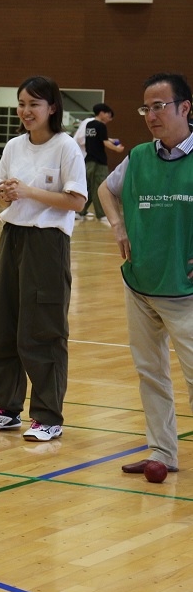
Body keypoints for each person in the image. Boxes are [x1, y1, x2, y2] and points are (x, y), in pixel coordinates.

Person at [0, 76, 87, 442]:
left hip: (48, 243)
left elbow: (77, 200)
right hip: (13, 239)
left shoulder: (66, 147)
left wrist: (29, 191)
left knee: (43, 331)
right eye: (21, 103)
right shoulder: (14, 146)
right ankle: (5, 409)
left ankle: (48, 416)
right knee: (3, 325)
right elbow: (2, 190)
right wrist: (5, 195)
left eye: (33, 104)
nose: (25, 111)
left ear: (52, 107)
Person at [97, 72, 193, 476]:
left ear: (185, 108)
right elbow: (105, 190)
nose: (151, 115)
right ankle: (162, 452)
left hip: (185, 290)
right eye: (146, 108)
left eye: (160, 106)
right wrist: (118, 225)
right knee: (150, 374)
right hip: (139, 283)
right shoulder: (137, 156)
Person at [79, 104, 125, 223]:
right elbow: (104, 142)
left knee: (88, 187)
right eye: (108, 114)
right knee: (100, 186)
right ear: (102, 113)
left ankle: (80, 211)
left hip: (88, 160)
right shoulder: (101, 126)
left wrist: (111, 140)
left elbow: (98, 139)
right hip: (99, 161)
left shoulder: (90, 125)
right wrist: (117, 149)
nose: (109, 117)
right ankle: (102, 214)